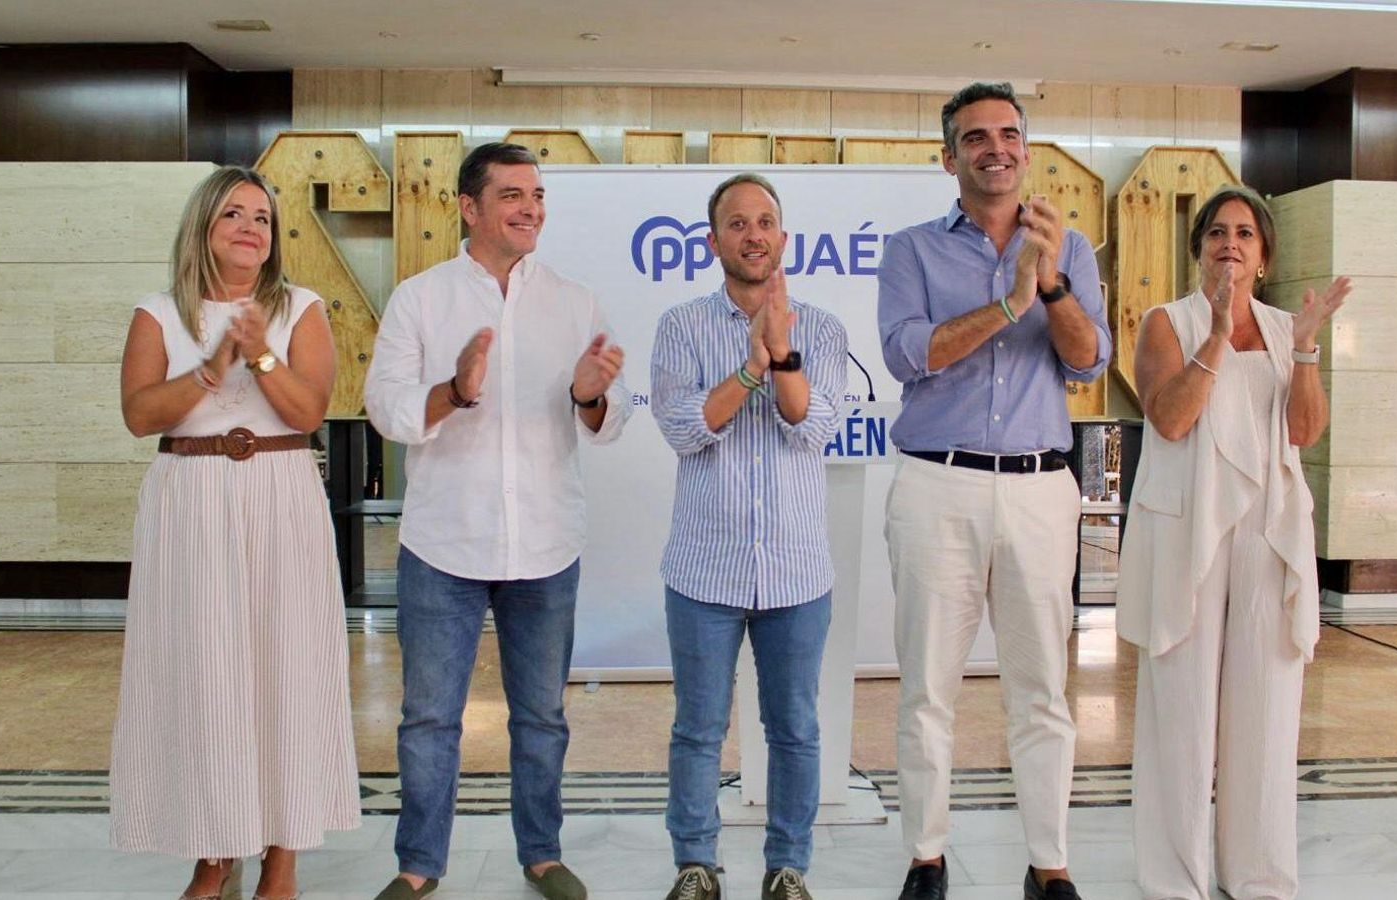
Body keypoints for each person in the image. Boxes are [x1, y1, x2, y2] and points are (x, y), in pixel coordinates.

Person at [363, 142, 631, 900]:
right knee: (428, 720)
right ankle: (419, 866)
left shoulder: (574, 301)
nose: (532, 209)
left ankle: (541, 854)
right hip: (443, 545)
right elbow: (386, 409)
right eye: (513, 194)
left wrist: (588, 395)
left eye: (538, 196)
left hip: (546, 546)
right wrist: (454, 389)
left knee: (542, 717)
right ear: (467, 207)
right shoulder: (420, 298)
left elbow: (611, 425)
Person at [876, 81, 1112, 900]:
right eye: (975, 137)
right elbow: (909, 354)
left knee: (1043, 690)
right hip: (936, 484)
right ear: (950, 157)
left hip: (1042, 487)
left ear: (1026, 147)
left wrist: (1047, 285)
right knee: (928, 690)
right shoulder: (911, 250)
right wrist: (1007, 302)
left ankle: (1049, 866)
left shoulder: (1071, 247)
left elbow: (1087, 361)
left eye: (1008, 133)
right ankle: (926, 858)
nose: (996, 147)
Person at [110, 164, 360, 900]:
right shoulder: (159, 312)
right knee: (205, 673)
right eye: (234, 215)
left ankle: (283, 858)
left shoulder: (302, 307)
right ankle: (215, 853)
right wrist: (212, 367)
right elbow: (139, 414)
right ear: (204, 229)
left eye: (263, 218)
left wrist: (258, 354)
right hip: (190, 499)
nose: (252, 228)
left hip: (280, 496)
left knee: (285, 668)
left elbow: (309, 410)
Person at [1117, 184, 1349, 900]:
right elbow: (1172, 419)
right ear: (1198, 252)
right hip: (1189, 526)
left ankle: (1259, 876)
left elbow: (1305, 432)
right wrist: (1218, 332)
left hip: (1268, 532)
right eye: (1217, 232)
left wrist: (1306, 348)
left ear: (1264, 254)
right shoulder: (1168, 321)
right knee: (1181, 714)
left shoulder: (1287, 331)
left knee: (1268, 714)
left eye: (1245, 234)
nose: (1230, 244)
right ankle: (1174, 880)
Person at [650, 173, 849, 900]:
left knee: (794, 728)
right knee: (699, 730)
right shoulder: (680, 326)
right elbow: (683, 429)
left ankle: (787, 866)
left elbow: (813, 425)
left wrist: (782, 352)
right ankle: (695, 865)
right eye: (737, 223)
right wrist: (749, 366)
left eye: (765, 222)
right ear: (713, 242)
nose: (753, 234)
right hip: (705, 569)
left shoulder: (822, 330)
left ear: (783, 239)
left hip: (796, 573)